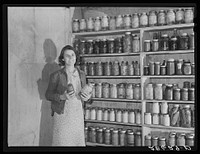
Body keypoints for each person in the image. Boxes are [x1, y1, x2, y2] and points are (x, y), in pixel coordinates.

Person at [45, 45, 92, 146]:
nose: (71, 58)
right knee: (62, 142)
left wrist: (88, 98)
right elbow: (48, 95)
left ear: (76, 57)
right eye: (67, 56)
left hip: (77, 115)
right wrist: (62, 97)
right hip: (62, 115)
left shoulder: (82, 74)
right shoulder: (56, 75)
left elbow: (87, 95)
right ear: (62, 58)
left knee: (77, 143)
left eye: (73, 55)